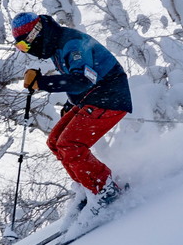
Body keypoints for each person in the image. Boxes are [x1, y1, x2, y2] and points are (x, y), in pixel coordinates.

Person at [10, 12, 132, 208]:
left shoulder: (71, 43)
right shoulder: (57, 45)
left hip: (110, 97)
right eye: (20, 48)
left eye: (24, 45)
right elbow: (81, 79)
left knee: (70, 144)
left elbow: (83, 79)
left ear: (35, 35)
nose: (25, 50)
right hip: (93, 99)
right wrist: (71, 103)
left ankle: (105, 190)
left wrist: (41, 82)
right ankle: (88, 188)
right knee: (55, 142)